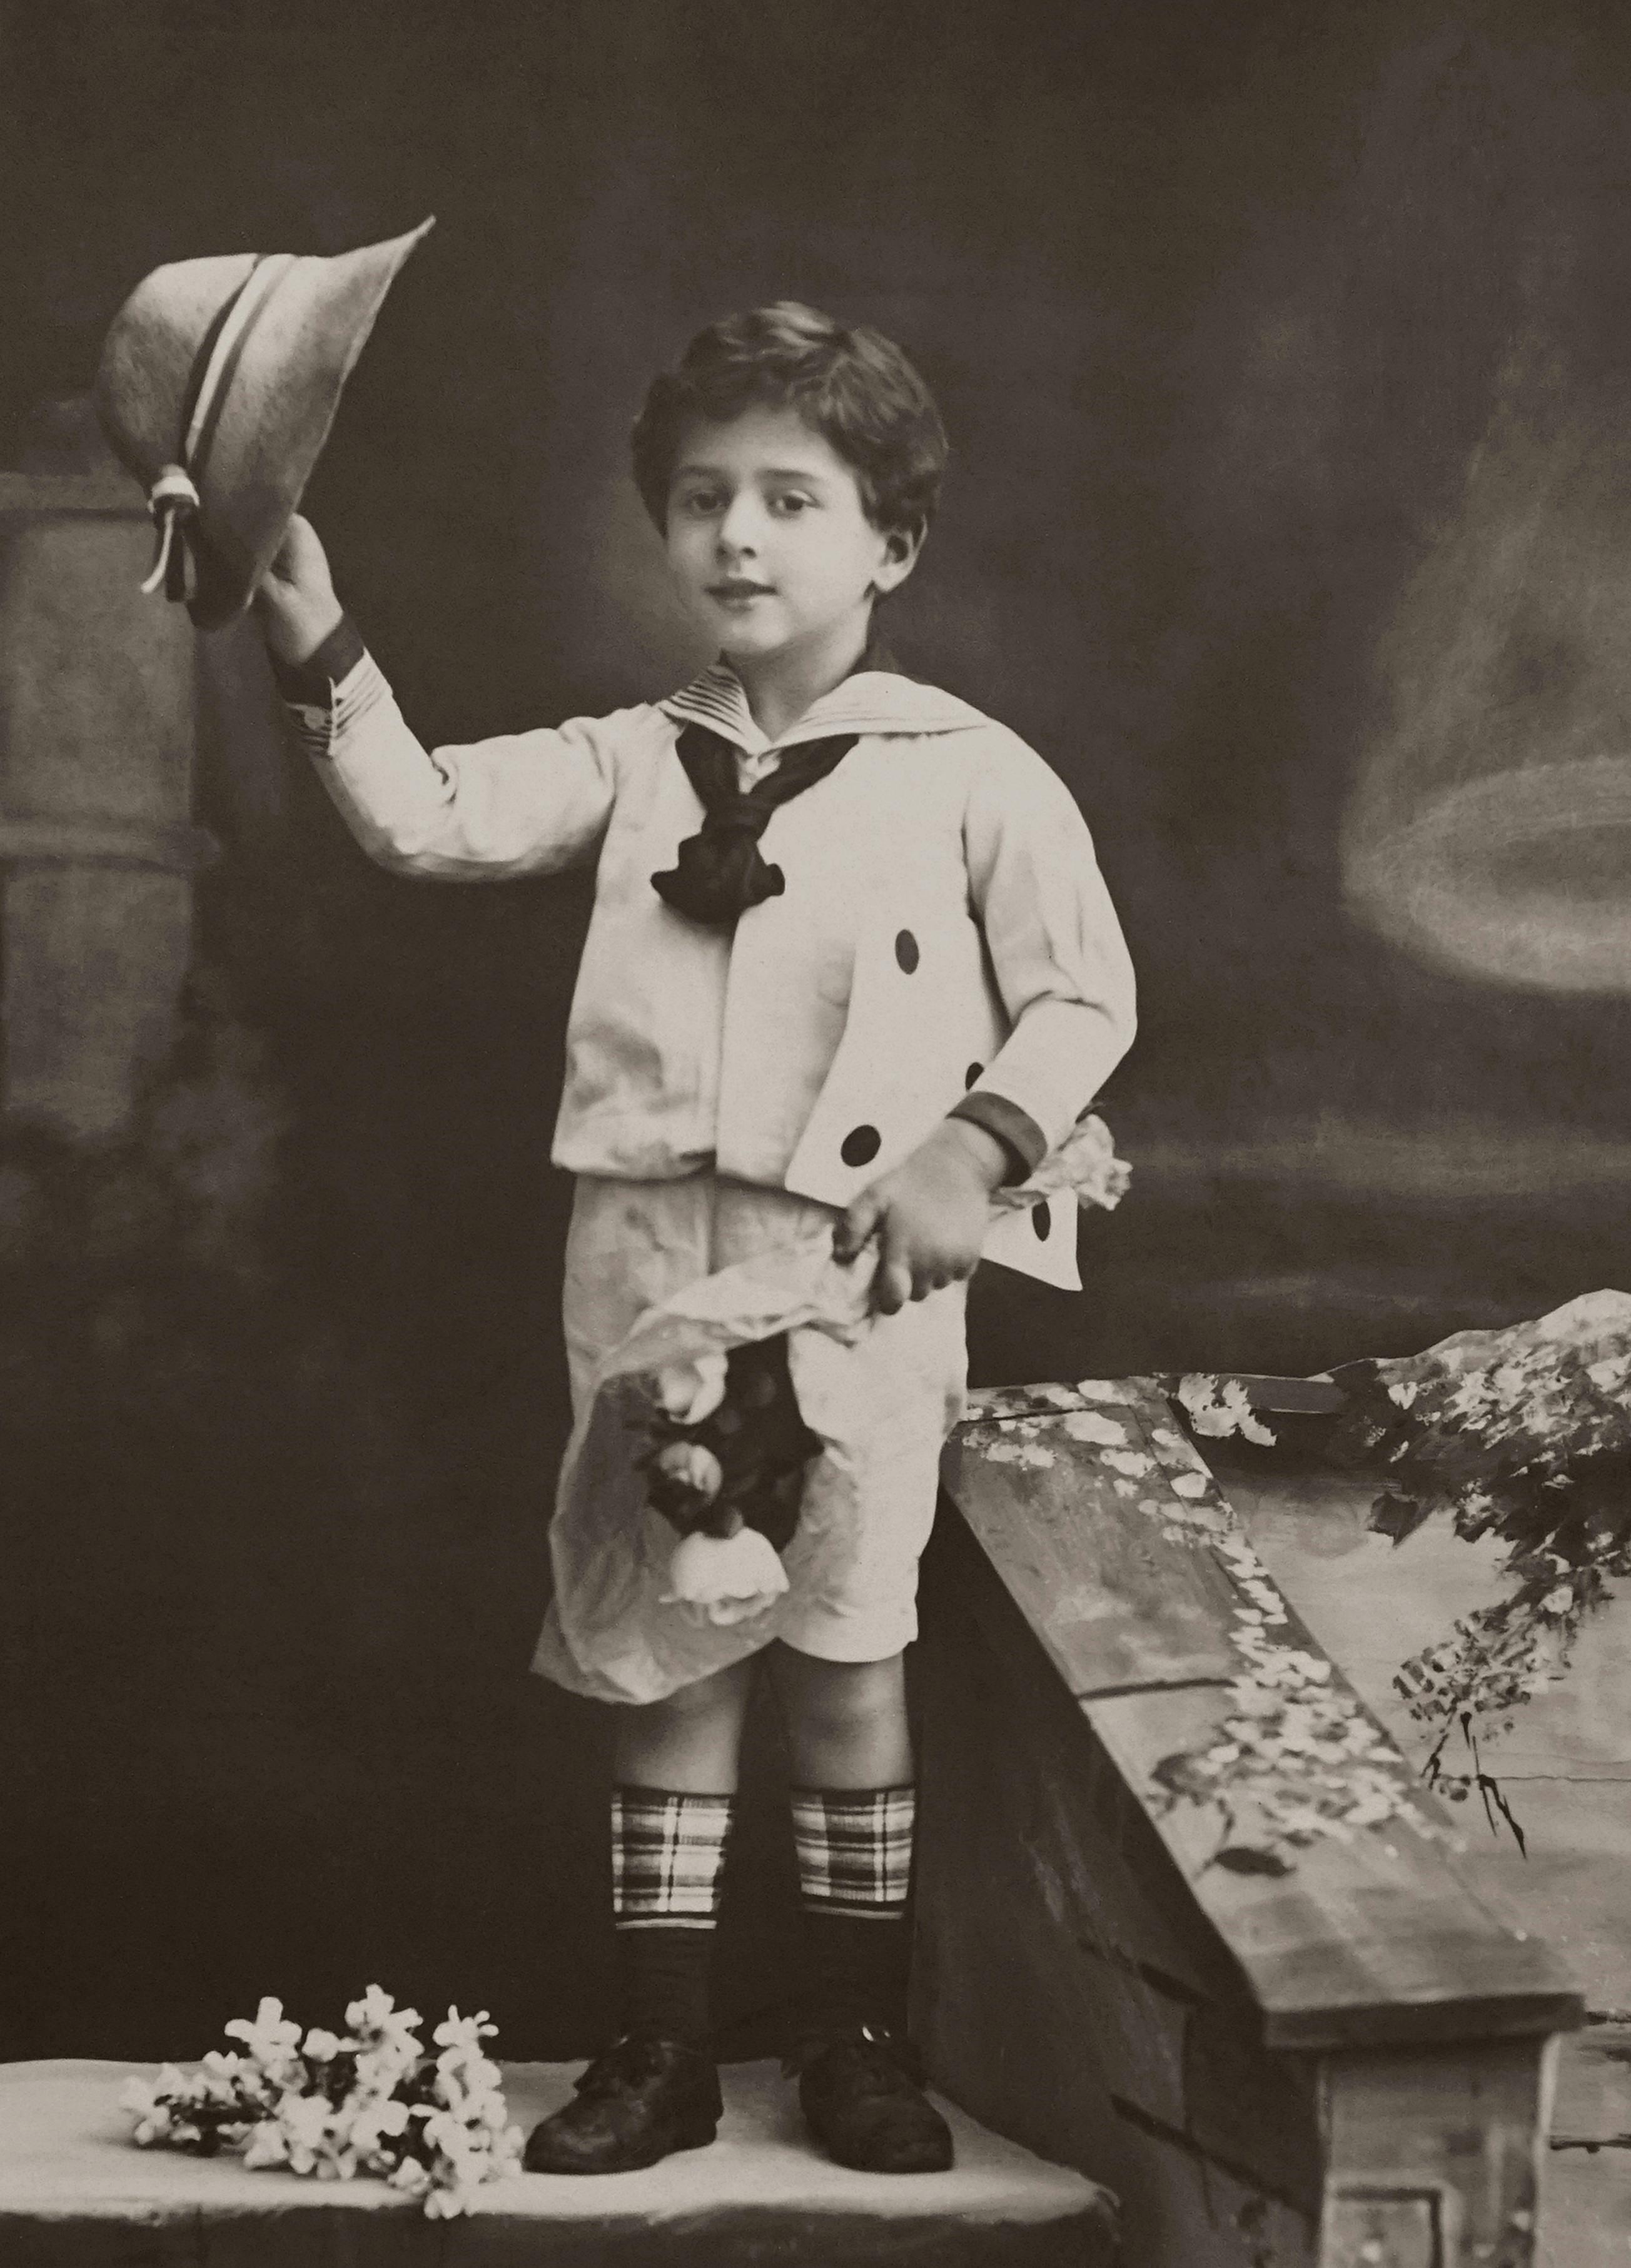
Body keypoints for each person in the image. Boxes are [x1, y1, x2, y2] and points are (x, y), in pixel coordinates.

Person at [253, 301, 1136, 2179]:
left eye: (792, 501)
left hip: (858, 1274)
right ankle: (655, 2049)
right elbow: (423, 818)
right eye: (704, 498)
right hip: (650, 1262)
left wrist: (975, 1149)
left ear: (888, 543)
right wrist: (311, 624)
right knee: (663, 1647)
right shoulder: (632, 758)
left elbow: (1083, 1001)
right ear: (662, 529)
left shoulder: (974, 771)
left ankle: (853, 2040)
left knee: (842, 1645)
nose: (739, 536)